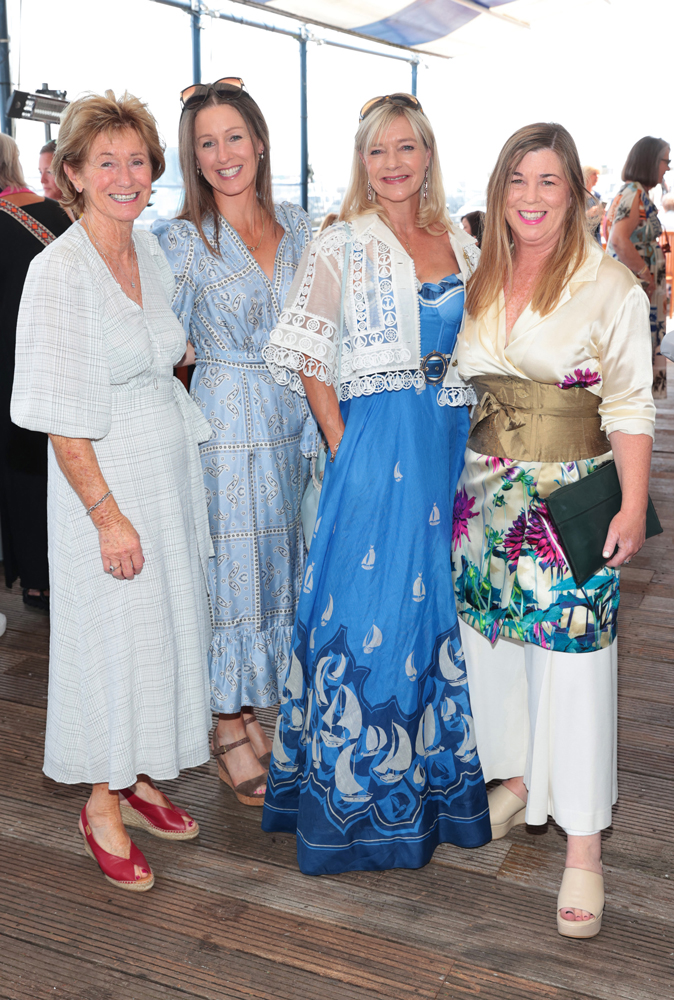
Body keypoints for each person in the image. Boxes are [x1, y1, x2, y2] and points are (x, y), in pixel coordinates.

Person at [260, 92, 491, 876]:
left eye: (406, 148)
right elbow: (307, 353)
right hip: (377, 440)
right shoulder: (342, 242)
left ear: (428, 154)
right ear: (362, 161)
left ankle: (428, 799)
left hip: (450, 438)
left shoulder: (460, 239)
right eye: (377, 150)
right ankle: (352, 809)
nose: (392, 163)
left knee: (432, 611)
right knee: (368, 609)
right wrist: (341, 443)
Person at [452, 123, 655, 938]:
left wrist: (632, 505)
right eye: (517, 180)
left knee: (576, 668)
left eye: (548, 181)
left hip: (570, 499)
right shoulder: (479, 272)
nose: (530, 197)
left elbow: (631, 403)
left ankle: (584, 847)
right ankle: (520, 779)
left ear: (573, 191)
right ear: (498, 190)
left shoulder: (610, 286)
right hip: (482, 496)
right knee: (495, 656)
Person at [11, 91, 214, 892]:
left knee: (159, 633)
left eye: (137, 160)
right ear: (72, 174)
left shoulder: (148, 250)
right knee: (109, 644)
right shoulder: (58, 271)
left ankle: (136, 777)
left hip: (164, 474)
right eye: (106, 162)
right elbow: (60, 421)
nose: (126, 176)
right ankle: (99, 801)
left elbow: (167, 355)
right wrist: (107, 517)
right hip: (104, 483)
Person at [153, 78, 314, 807]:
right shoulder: (183, 240)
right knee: (232, 574)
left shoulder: (300, 226)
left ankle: (253, 710)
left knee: (279, 570)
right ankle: (225, 724)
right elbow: (156, 340)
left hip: (296, 421)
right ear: (193, 158)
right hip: (226, 424)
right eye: (206, 143)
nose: (223, 154)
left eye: (234, 137)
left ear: (260, 142)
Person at [0, 134, 70, 613]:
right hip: (58, 357)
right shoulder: (56, 215)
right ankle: (60, 571)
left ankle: (34, 579)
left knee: (18, 469)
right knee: (57, 464)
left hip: (8, 367)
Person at [606, 136, 670, 398]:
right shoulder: (633, 193)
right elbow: (619, 240)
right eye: (666, 161)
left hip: (640, 287)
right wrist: (646, 276)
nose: (668, 167)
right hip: (637, 287)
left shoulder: (635, 192)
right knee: (634, 352)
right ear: (650, 161)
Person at [583, 164, 603, 245]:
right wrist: (588, 214)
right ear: (586, 175)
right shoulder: (577, 196)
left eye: (598, 174)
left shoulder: (597, 195)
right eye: (594, 174)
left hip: (596, 237)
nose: (597, 177)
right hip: (583, 238)